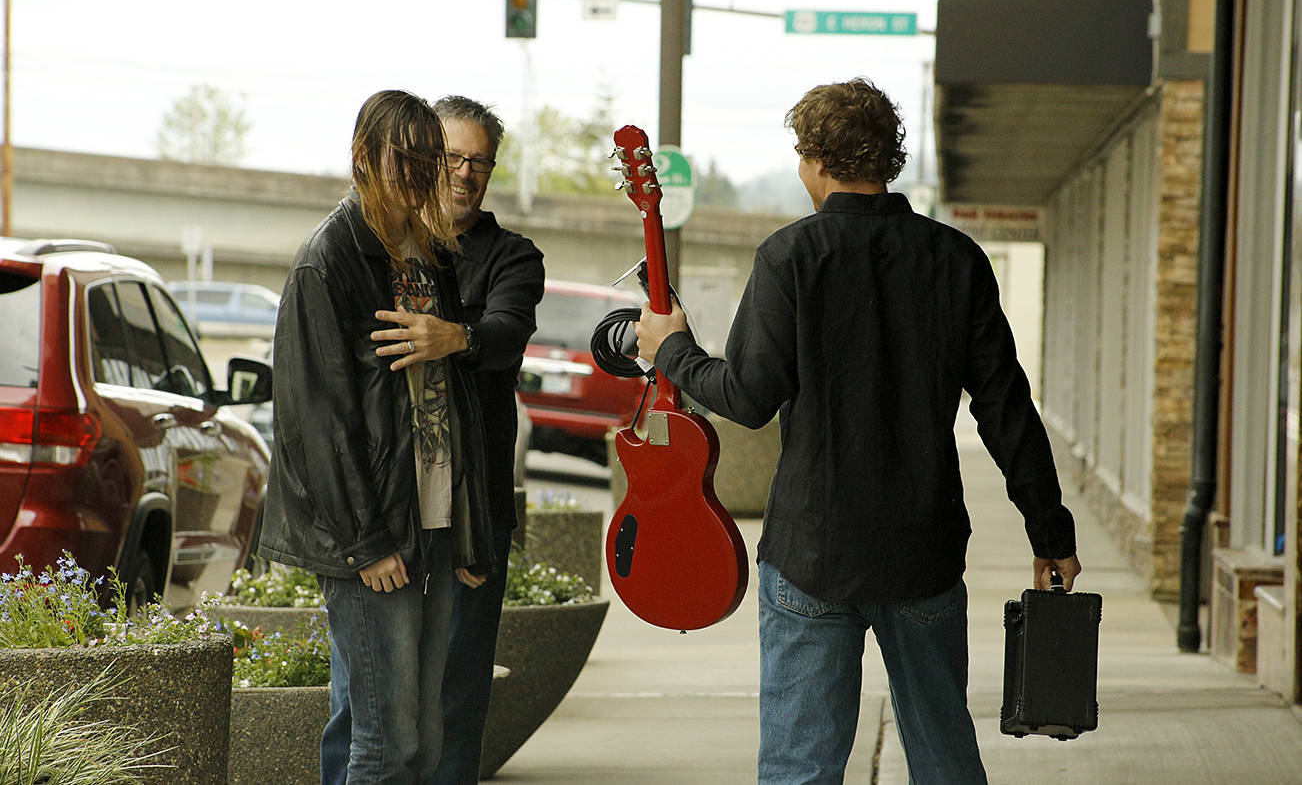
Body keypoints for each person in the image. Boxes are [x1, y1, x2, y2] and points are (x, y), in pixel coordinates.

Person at [634, 77, 1082, 785]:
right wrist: (1050, 534)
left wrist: (672, 351)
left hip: (814, 551)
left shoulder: (789, 258)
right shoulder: (954, 259)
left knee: (801, 768)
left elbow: (747, 399)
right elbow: (1006, 409)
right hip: (922, 554)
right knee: (943, 759)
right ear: (889, 158)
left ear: (814, 160)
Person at [258, 88, 497, 783]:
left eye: (430, 163)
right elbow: (316, 418)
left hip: (432, 523)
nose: (421, 178)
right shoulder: (327, 260)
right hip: (374, 536)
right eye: (406, 162)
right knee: (383, 745)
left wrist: (467, 528)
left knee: (422, 742)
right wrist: (366, 542)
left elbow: (457, 404)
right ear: (363, 156)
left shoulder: (429, 256)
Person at [318, 95, 545, 785]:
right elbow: (329, 404)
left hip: (466, 513)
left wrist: (460, 338)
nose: (463, 174)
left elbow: (506, 333)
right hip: (391, 515)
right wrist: (362, 531)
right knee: (365, 710)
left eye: (479, 161)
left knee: (453, 700)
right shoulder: (365, 253)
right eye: (450, 158)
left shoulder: (505, 257)